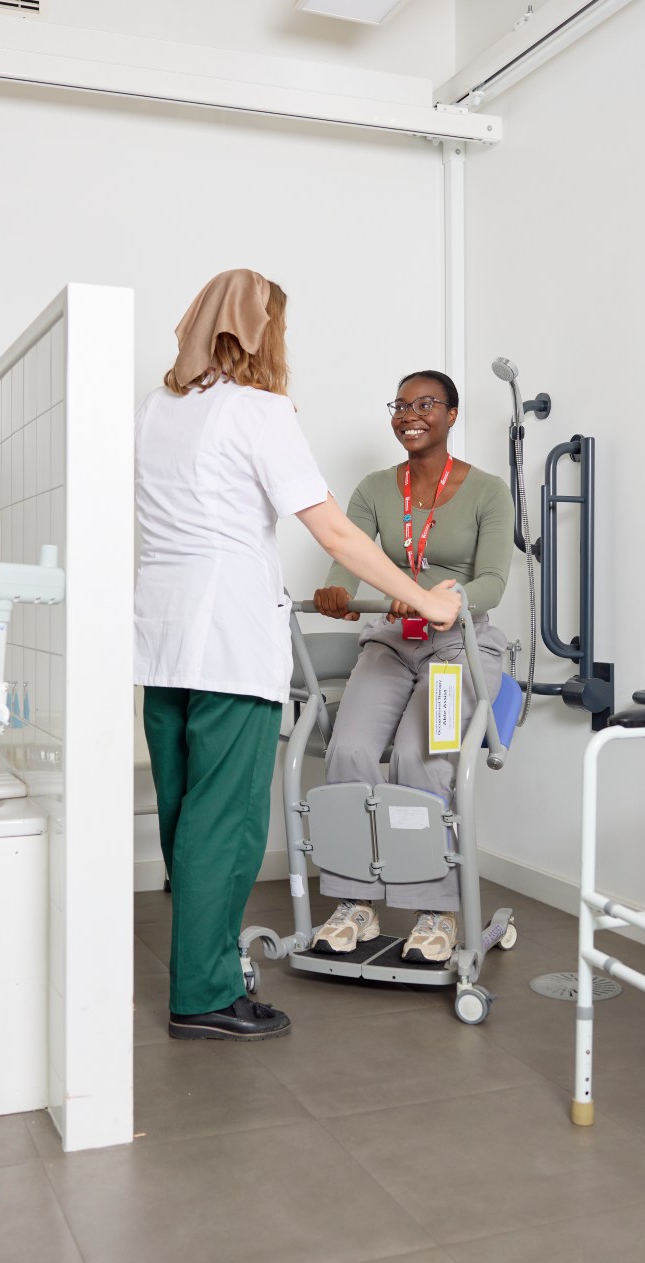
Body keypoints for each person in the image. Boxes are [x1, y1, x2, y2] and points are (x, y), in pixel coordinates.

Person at [135, 270, 461, 1042]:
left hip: (157, 638)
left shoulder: (155, 411)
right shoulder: (258, 409)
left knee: (184, 818)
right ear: (261, 332)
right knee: (228, 823)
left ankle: (206, 968)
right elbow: (337, 534)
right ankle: (205, 995)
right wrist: (427, 601)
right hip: (229, 641)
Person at [308, 370, 514, 964]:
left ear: (452, 415)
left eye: (426, 404)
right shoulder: (375, 488)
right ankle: (357, 904)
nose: (411, 414)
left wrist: (442, 600)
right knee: (346, 751)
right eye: (401, 404)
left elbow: (494, 581)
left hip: (458, 646)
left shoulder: (488, 492)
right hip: (391, 641)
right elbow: (348, 555)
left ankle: (435, 910)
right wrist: (335, 590)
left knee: (418, 758)